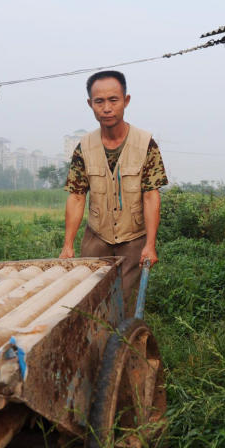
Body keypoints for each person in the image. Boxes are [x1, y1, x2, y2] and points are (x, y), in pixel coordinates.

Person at [59, 70, 168, 305]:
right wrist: (68, 244)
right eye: (99, 101)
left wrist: (150, 245)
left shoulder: (145, 144)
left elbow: (151, 196)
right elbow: (77, 197)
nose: (106, 108)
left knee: (123, 304)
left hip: (133, 240)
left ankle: (123, 342)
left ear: (125, 101)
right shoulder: (83, 147)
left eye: (113, 100)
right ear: (90, 104)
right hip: (96, 237)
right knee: (89, 301)